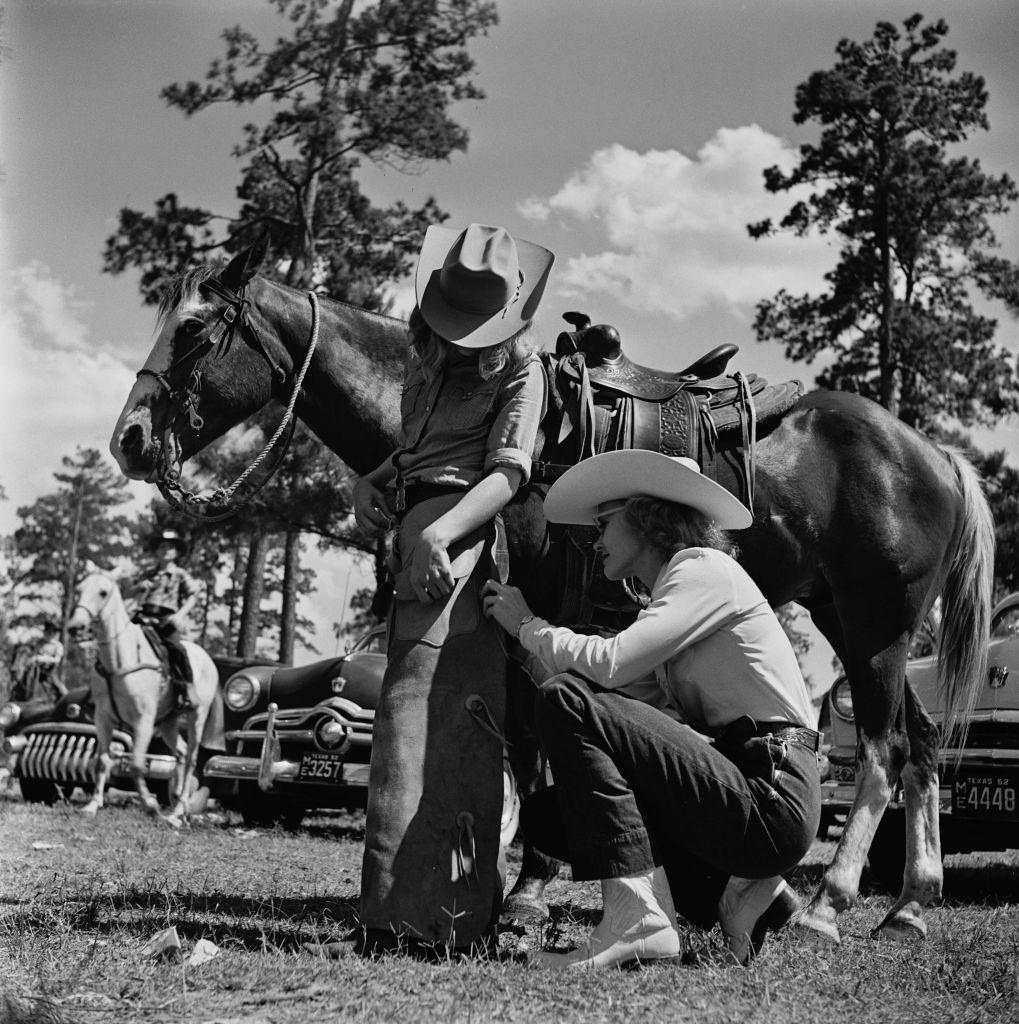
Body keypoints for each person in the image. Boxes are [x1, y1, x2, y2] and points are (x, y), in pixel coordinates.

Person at [482, 449, 820, 969]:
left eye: (604, 522)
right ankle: (746, 897)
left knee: (567, 702)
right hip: (751, 782)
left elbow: (611, 666)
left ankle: (642, 920)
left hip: (772, 789)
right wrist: (532, 651)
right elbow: (622, 708)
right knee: (551, 818)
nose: (594, 539)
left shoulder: (702, 569)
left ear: (647, 515)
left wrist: (529, 626)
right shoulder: (675, 597)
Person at [352, 222, 554, 950]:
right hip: (415, 535)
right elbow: (410, 452)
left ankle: (443, 914)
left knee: (442, 719)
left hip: (458, 540)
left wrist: (441, 535)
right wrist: (364, 482)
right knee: (404, 723)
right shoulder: (424, 362)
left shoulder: (524, 371)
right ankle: (398, 909)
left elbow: (508, 470)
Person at [131, 529, 200, 711]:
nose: (166, 550)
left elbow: (194, 595)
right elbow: (128, 591)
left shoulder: (180, 574)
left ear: (176, 552)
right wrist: (139, 586)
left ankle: (187, 687)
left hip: (165, 619)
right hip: (142, 616)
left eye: (170, 547)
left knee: (176, 649)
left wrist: (179, 615)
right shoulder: (148, 573)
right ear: (156, 551)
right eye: (162, 547)